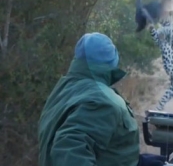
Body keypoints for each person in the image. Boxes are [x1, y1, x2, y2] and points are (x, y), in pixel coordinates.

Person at [38, 32, 166, 166]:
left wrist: (136, 162)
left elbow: (98, 147)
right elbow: (69, 148)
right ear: (111, 61)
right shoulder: (102, 101)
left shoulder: (65, 89)